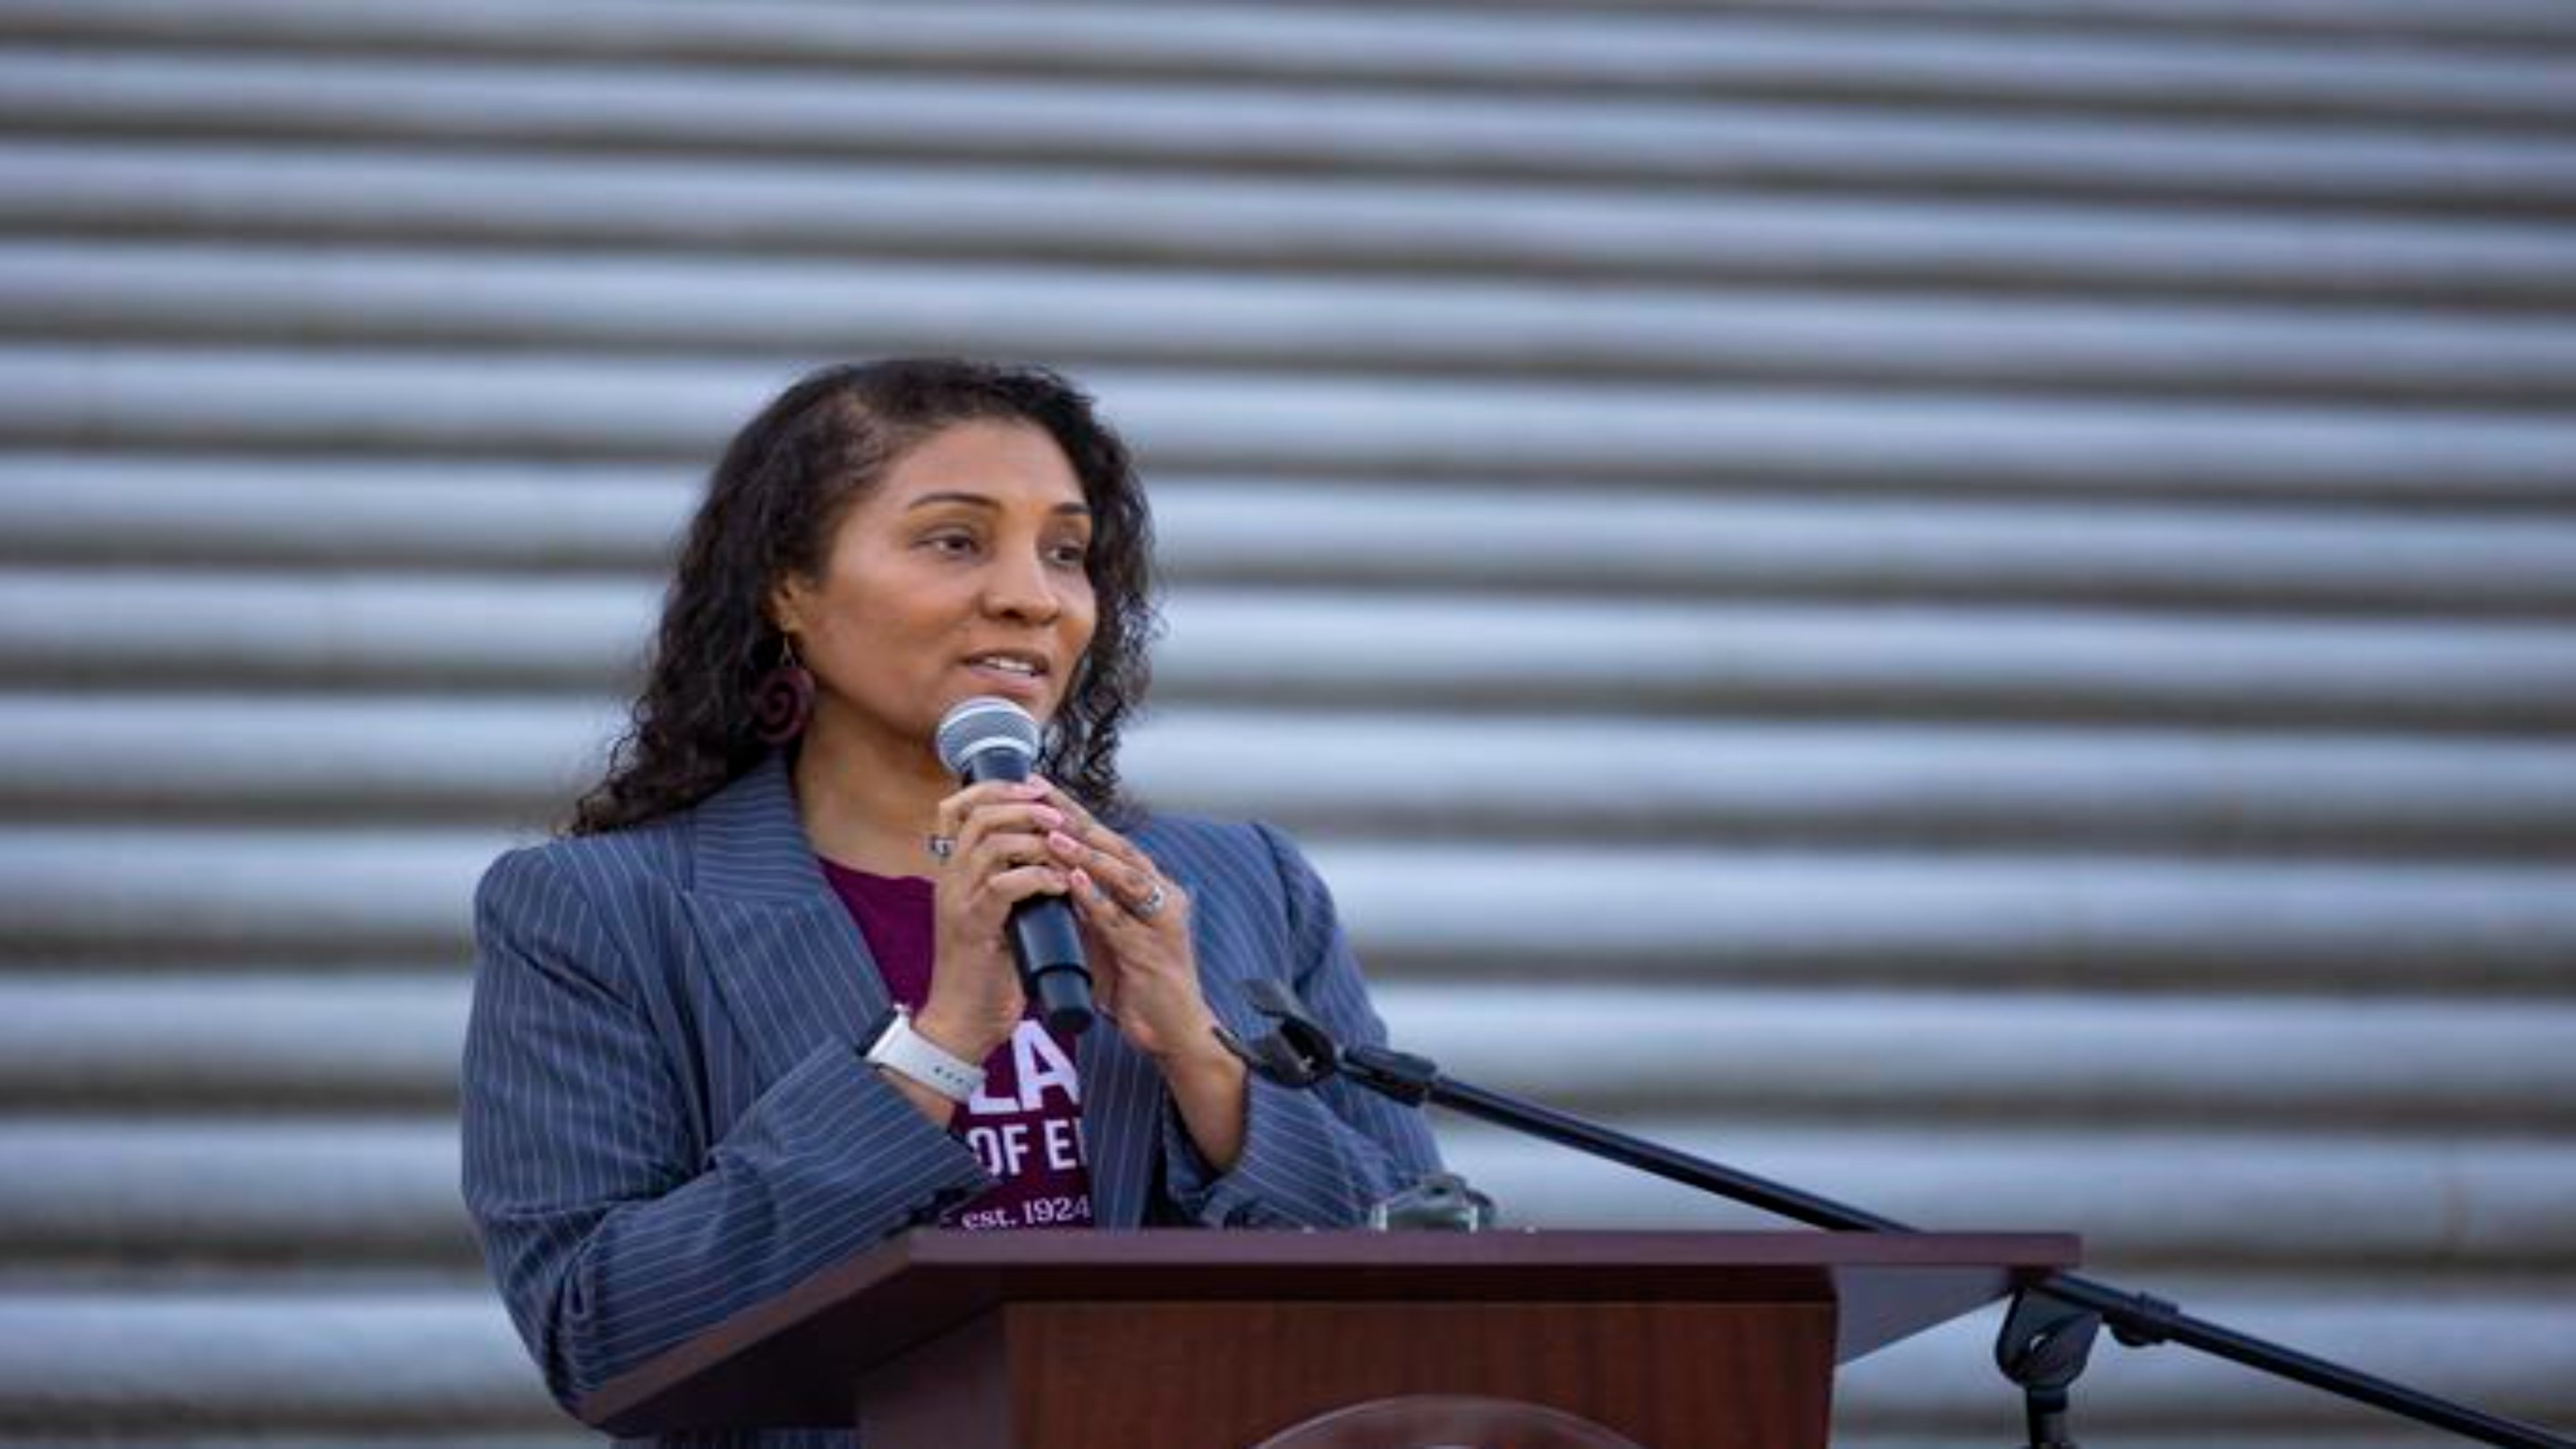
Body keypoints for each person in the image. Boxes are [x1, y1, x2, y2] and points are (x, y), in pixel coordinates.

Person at [460, 359, 1442, 1436]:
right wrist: (937, 1048)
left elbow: (1427, 1275)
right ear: (789, 586)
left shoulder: (1243, 882)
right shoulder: (600, 911)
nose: (1032, 595)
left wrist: (1200, 1055)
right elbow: (604, 1336)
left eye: (1066, 553)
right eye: (956, 541)